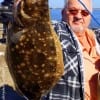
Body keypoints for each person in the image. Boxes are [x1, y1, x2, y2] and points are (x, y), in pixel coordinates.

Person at [42, 0, 100, 100]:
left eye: (85, 13)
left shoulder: (96, 37)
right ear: (63, 12)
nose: (78, 16)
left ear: (90, 15)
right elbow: (35, 26)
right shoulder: (57, 33)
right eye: (73, 11)